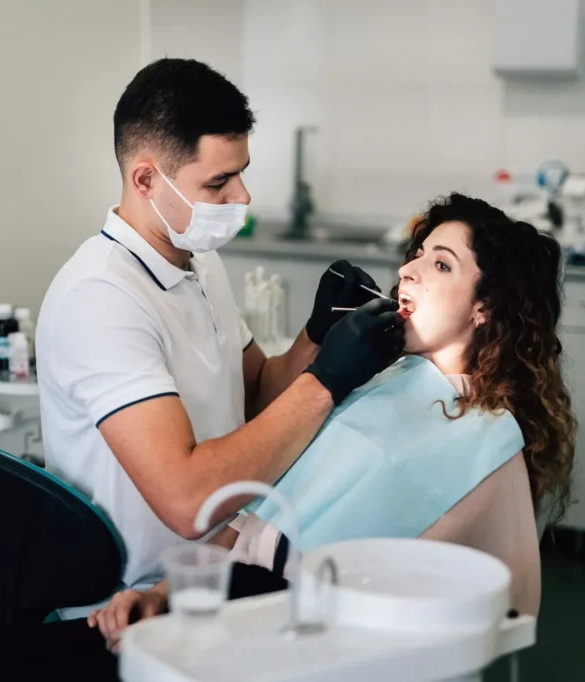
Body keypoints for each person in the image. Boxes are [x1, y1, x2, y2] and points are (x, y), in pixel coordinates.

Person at [88, 193, 578, 650]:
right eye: (417, 254)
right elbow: (254, 518)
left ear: (484, 309)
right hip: (227, 605)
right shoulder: (379, 379)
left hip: (289, 635)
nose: (407, 270)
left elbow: (496, 609)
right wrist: (163, 592)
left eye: (441, 264)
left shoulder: (487, 440)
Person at [35, 57, 403, 619]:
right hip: (131, 608)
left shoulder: (198, 262)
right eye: (217, 182)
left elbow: (253, 392)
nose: (242, 197)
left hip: (218, 567)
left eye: (241, 173)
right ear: (145, 180)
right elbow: (187, 500)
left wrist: (316, 335)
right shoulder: (101, 297)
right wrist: (326, 381)